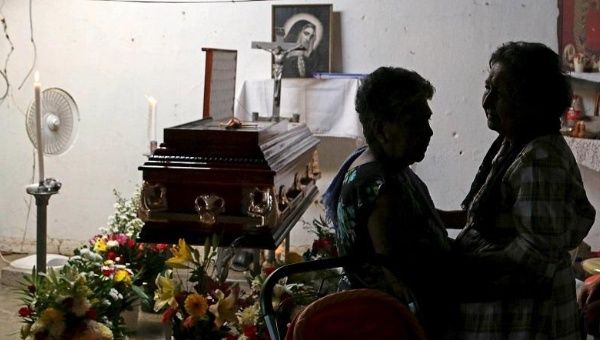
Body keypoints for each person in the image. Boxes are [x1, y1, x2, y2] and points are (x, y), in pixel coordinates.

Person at [450, 41, 596, 339]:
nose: (486, 101)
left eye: (499, 93)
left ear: (532, 102)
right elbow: (492, 216)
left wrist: (455, 263)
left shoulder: (540, 160)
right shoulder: (515, 143)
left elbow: (535, 254)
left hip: (528, 319)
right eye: (487, 87)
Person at [322, 66, 454, 339]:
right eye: (415, 122)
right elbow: (397, 276)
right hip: (388, 324)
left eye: (427, 120)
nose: (428, 132)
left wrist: (468, 218)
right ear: (382, 129)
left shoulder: (385, 164)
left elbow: (420, 218)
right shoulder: (379, 186)